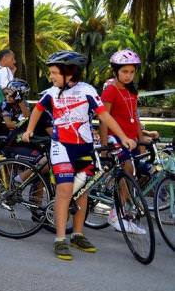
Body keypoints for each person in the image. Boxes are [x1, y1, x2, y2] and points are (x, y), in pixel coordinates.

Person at [23, 50, 136, 261]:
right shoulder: (51, 92)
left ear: (69, 73)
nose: (51, 77)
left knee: (83, 191)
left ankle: (77, 234)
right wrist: (29, 129)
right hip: (61, 147)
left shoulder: (87, 91)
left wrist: (122, 137)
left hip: (84, 149)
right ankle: (59, 240)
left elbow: (105, 116)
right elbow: (37, 109)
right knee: (65, 190)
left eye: (55, 73)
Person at [99, 49, 158, 234]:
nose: (128, 75)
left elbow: (135, 118)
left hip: (131, 139)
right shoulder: (110, 91)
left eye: (132, 72)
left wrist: (141, 141)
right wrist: (104, 146)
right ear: (116, 71)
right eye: (124, 71)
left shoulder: (132, 91)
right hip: (115, 138)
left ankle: (124, 207)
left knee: (144, 170)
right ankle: (116, 214)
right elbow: (103, 119)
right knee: (128, 169)